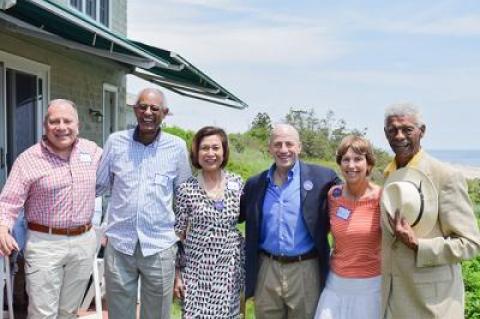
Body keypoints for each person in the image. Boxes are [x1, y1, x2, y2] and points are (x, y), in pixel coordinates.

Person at [0, 99, 102, 318]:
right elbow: (8, 202)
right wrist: (2, 228)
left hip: (83, 241)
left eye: (68, 121)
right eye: (54, 121)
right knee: (42, 313)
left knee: (69, 311)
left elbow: (117, 177)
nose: (62, 127)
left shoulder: (92, 151)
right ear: (45, 126)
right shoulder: (28, 159)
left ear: (78, 125)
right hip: (44, 243)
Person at [96, 88, 191, 319]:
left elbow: (185, 195)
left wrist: (181, 238)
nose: (148, 112)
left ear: (165, 113)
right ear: (134, 109)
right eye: (142, 107)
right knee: (119, 313)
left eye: (154, 108)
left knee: (157, 314)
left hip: (159, 245)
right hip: (120, 244)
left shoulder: (176, 147)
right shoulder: (115, 142)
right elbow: (99, 185)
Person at [381, 102, 480, 318]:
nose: (399, 136)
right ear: (386, 133)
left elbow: (471, 244)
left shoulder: (445, 176)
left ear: (422, 131)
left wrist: (418, 245)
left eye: (407, 129)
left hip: (431, 304)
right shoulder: (387, 174)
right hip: (391, 298)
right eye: (393, 130)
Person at [240, 123, 341, 319]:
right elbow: (234, 214)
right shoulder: (255, 184)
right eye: (277, 144)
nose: (283, 150)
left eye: (289, 144)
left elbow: (351, 198)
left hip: (305, 269)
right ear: (269, 148)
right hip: (266, 269)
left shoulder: (323, 178)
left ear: (299, 147)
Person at [173, 126, 244, 318]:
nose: (210, 153)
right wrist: (177, 275)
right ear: (196, 152)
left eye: (216, 147)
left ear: (224, 151)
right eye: (204, 148)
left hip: (229, 271)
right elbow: (178, 235)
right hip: (196, 273)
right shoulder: (186, 189)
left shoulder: (237, 184)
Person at [314, 135, 382, 319]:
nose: (351, 165)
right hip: (335, 283)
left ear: (369, 164)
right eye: (346, 159)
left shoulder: (381, 197)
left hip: (369, 286)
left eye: (358, 159)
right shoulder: (333, 195)